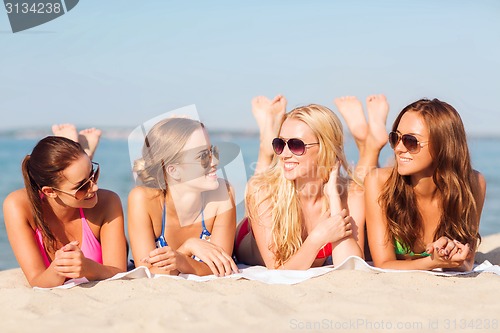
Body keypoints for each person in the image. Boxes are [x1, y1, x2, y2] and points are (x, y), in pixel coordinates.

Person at [234, 94, 389, 269]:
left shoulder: (352, 194)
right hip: (249, 236)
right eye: (279, 144)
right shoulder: (262, 192)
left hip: (325, 189)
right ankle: (266, 144)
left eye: (296, 145)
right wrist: (318, 238)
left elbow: (350, 266)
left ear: (325, 149)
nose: (284, 154)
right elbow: (278, 270)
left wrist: (334, 199)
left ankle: (368, 144)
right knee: (261, 181)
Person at [365, 98, 487, 271]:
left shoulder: (473, 184)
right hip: (361, 230)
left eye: (410, 141)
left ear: (442, 146)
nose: (398, 148)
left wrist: (451, 256)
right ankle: (369, 144)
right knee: (355, 190)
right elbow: (383, 264)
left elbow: (467, 262)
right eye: (395, 138)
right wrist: (432, 262)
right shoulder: (379, 182)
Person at [3, 136, 127, 287]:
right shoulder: (18, 206)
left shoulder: (107, 202)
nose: (94, 187)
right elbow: (36, 281)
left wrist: (88, 268)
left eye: (93, 174)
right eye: (82, 186)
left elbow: (119, 272)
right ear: (49, 192)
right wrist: (59, 269)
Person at [127, 117, 239, 277]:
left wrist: (180, 260)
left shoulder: (223, 193)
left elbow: (220, 268)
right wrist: (188, 248)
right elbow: (146, 273)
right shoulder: (143, 200)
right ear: (173, 170)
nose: (214, 161)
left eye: (212, 151)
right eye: (202, 156)